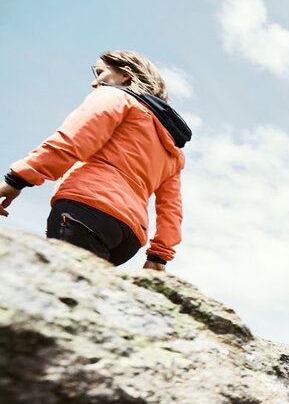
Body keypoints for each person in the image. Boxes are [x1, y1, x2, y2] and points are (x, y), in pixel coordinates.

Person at [0, 50, 191, 270]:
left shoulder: (116, 97)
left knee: (62, 288)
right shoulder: (173, 149)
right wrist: (159, 256)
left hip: (86, 210)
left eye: (100, 72)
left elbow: (71, 142)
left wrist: (16, 180)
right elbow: (171, 208)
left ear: (126, 76)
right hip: (129, 237)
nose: (94, 83)